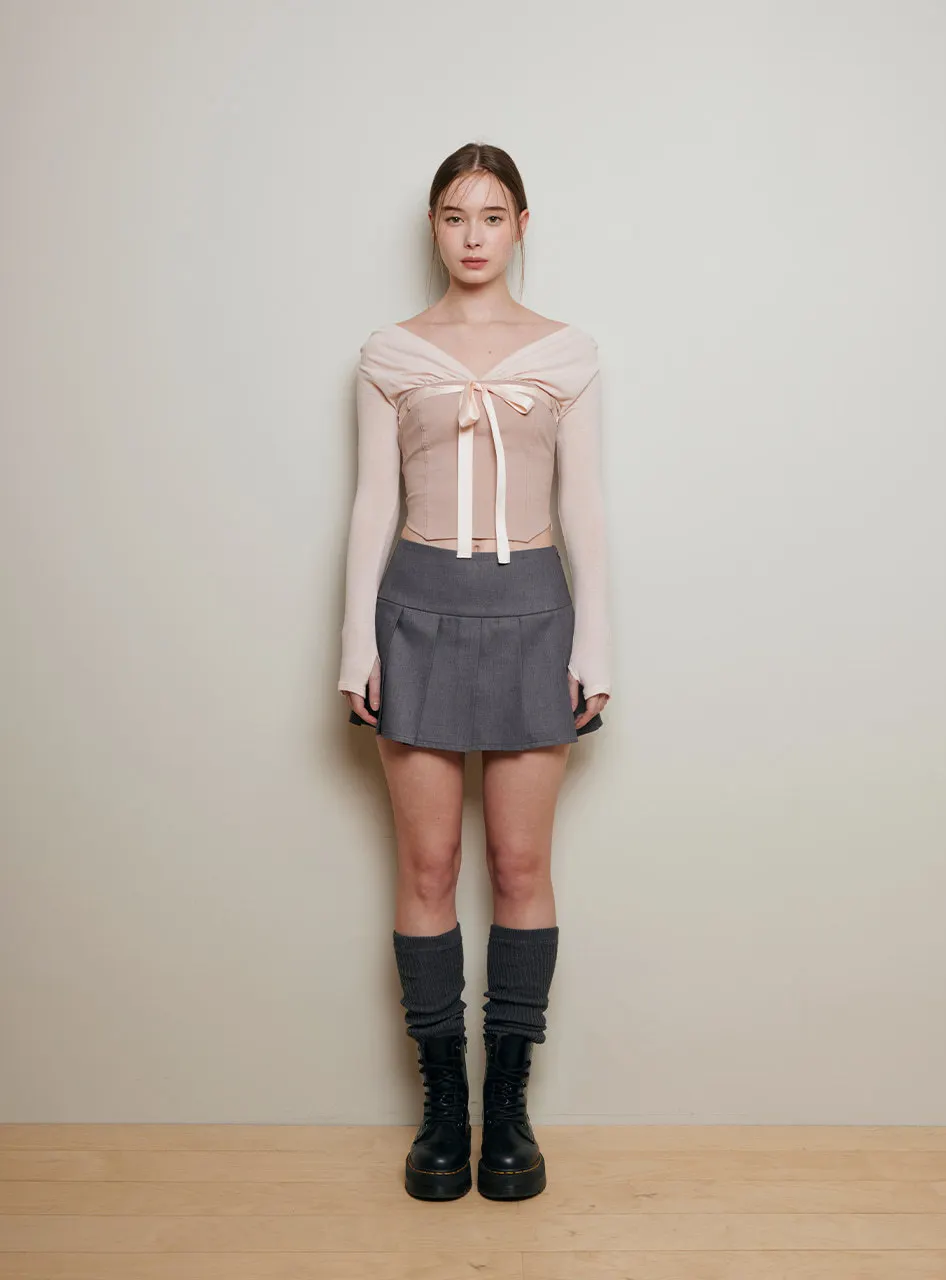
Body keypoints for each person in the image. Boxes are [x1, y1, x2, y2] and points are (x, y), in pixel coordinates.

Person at [337, 142, 613, 1202]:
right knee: (425, 864)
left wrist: (597, 644)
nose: (472, 236)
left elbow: (585, 504)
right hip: (416, 613)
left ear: (521, 225)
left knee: (519, 863)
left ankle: (510, 1108)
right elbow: (372, 500)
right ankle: (443, 1107)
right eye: (455, 216)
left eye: (492, 216)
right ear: (434, 226)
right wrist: (355, 644)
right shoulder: (390, 353)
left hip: (533, 613)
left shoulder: (568, 352)